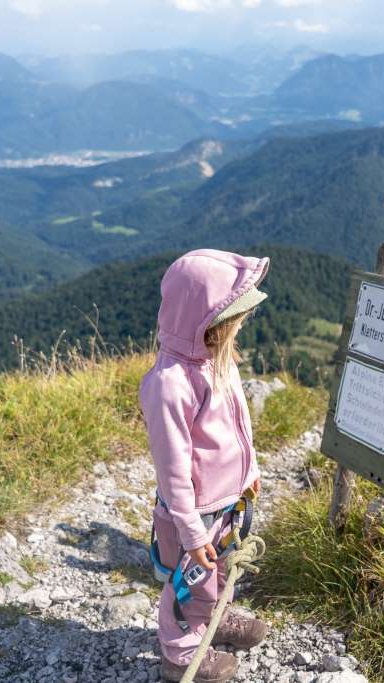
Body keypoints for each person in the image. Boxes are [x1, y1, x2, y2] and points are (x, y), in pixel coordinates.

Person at [139, 249, 271, 683]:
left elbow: (238, 424)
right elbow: (173, 469)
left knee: (220, 568)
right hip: (193, 514)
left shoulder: (217, 360)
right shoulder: (169, 386)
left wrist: (248, 477)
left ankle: (215, 618)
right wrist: (192, 531)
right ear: (206, 325)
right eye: (232, 322)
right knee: (188, 583)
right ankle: (181, 657)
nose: (238, 329)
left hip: (226, 503)